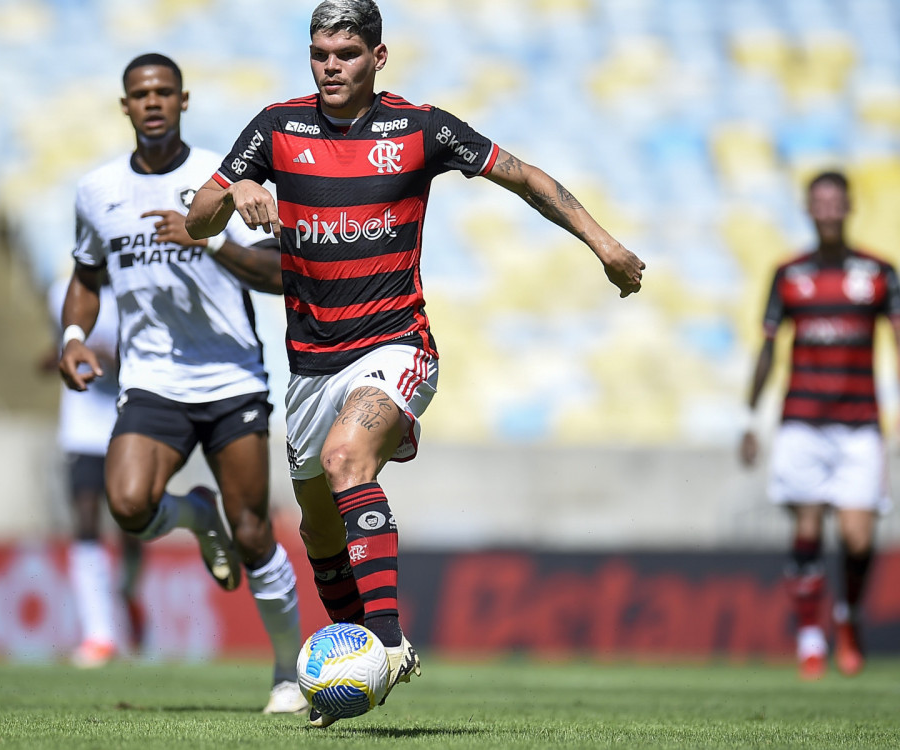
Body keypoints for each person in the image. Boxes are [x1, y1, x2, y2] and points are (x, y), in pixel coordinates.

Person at [185, 0, 644, 727]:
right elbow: (199, 217)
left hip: (397, 344)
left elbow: (523, 176)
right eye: (319, 54)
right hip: (309, 366)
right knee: (320, 528)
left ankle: (390, 646)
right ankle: (350, 664)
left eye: (345, 54)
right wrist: (236, 189)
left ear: (378, 57)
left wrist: (605, 244)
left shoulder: (421, 128)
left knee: (344, 462)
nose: (330, 66)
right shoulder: (276, 128)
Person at [58, 53, 308, 714]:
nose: (153, 103)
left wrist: (211, 240)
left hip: (231, 376)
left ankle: (288, 670)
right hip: (153, 380)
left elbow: (284, 273)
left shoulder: (221, 180)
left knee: (253, 533)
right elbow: (86, 279)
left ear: (184, 100)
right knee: (129, 505)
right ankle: (194, 515)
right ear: (125, 106)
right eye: (140, 94)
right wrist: (73, 339)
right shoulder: (97, 191)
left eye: (164, 92)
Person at [739, 170, 897, 681]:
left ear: (850, 207)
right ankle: (810, 638)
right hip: (802, 421)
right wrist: (750, 418)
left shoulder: (879, 273)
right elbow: (768, 350)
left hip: (859, 425)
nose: (828, 211)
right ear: (809, 210)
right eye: (819, 203)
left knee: (858, 539)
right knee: (806, 526)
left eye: (836, 202)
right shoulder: (788, 273)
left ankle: (846, 616)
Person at [43, 275, 145, 667]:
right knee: (86, 521)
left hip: (128, 423)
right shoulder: (63, 292)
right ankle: (98, 634)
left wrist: (110, 357)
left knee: (133, 523)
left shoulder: (134, 284)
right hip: (81, 429)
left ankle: (128, 591)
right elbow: (58, 345)